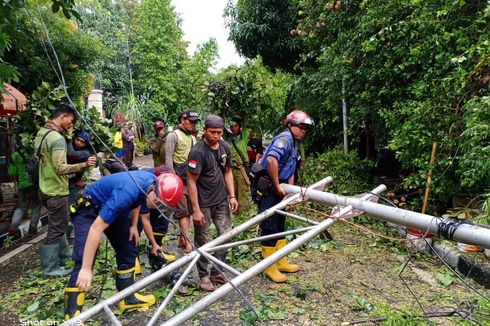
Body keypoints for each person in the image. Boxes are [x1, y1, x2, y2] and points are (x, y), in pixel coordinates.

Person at [63, 171, 183, 320]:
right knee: (84, 257)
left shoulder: (150, 182)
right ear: (154, 189)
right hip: (89, 209)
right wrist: (87, 269)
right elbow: (96, 228)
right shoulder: (125, 193)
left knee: (129, 244)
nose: (156, 208)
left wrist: (133, 225)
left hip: (111, 206)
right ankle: (72, 316)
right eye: (158, 203)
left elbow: (137, 200)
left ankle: (127, 297)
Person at [35, 104, 97, 277]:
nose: (72, 124)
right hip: (56, 189)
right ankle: (49, 268)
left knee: (60, 224)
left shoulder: (42, 133)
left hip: (43, 186)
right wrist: (83, 165)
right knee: (56, 228)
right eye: (71, 120)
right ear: (63, 116)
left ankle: (62, 256)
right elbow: (60, 168)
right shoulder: (57, 139)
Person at [256, 110, 313, 283]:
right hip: (269, 187)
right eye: (301, 127)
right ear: (290, 125)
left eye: (306, 128)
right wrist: (277, 185)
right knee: (270, 225)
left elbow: (290, 168)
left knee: (280, 223)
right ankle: (269, 266)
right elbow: (272, 160)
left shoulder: (294, 142)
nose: (304, 131)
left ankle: (280, 260)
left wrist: (290, 192)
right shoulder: (285, 138)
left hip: (281, 187)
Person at [187, 115, 238, 292]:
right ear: (205, 131)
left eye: (219, 132)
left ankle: (217, 270)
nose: (216, 135)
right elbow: (191, 182)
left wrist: (232, 196)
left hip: (221, 200)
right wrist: (195, 209)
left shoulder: (225, 147)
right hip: (203, 203)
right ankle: (203, 275)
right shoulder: (197, 152)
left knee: (226, 234)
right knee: (203, 238)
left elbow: (228, 172)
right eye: (212, 132)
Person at [165, 109, 200, 253]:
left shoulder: (192, 138)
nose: (193, 124)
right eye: (190, 121)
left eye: (194, 122)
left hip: (190, 178)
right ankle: (188, 243)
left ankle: (182, 238)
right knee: (183, 211)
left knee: (190, 209)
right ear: (183, 120)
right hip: (177, 179)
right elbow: (168, 159)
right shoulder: (173, 136)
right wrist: (173, 180)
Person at [8, 142, 42, 237]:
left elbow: (11, 172)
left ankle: (13, 229)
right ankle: (32, 230)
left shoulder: (15, 155)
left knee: (22, 207)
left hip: (22, 186)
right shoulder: (34, 153)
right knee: (36, 206)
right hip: (34, 185)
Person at [225, 116, 252, 213]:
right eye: (231, 126)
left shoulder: (243, 137)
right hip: (230, 170)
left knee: (243, 192)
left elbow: (245, 124)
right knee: (232, 192)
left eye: (235, 126)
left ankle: (244, 214)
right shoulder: (227, 138)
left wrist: (240, 111)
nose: (233, 128)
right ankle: (234, 213)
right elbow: (222, 124)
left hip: (241, 169)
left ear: (239, 126)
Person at [67, 130, 93, 204]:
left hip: (73, 182)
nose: (78, 142)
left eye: (82, 142)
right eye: (77, 140)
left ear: (86, 144)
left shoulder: (86, 153)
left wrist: (68, 139)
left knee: (71, 204)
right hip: (61, 178)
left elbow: (71, 154)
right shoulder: (69, 145)